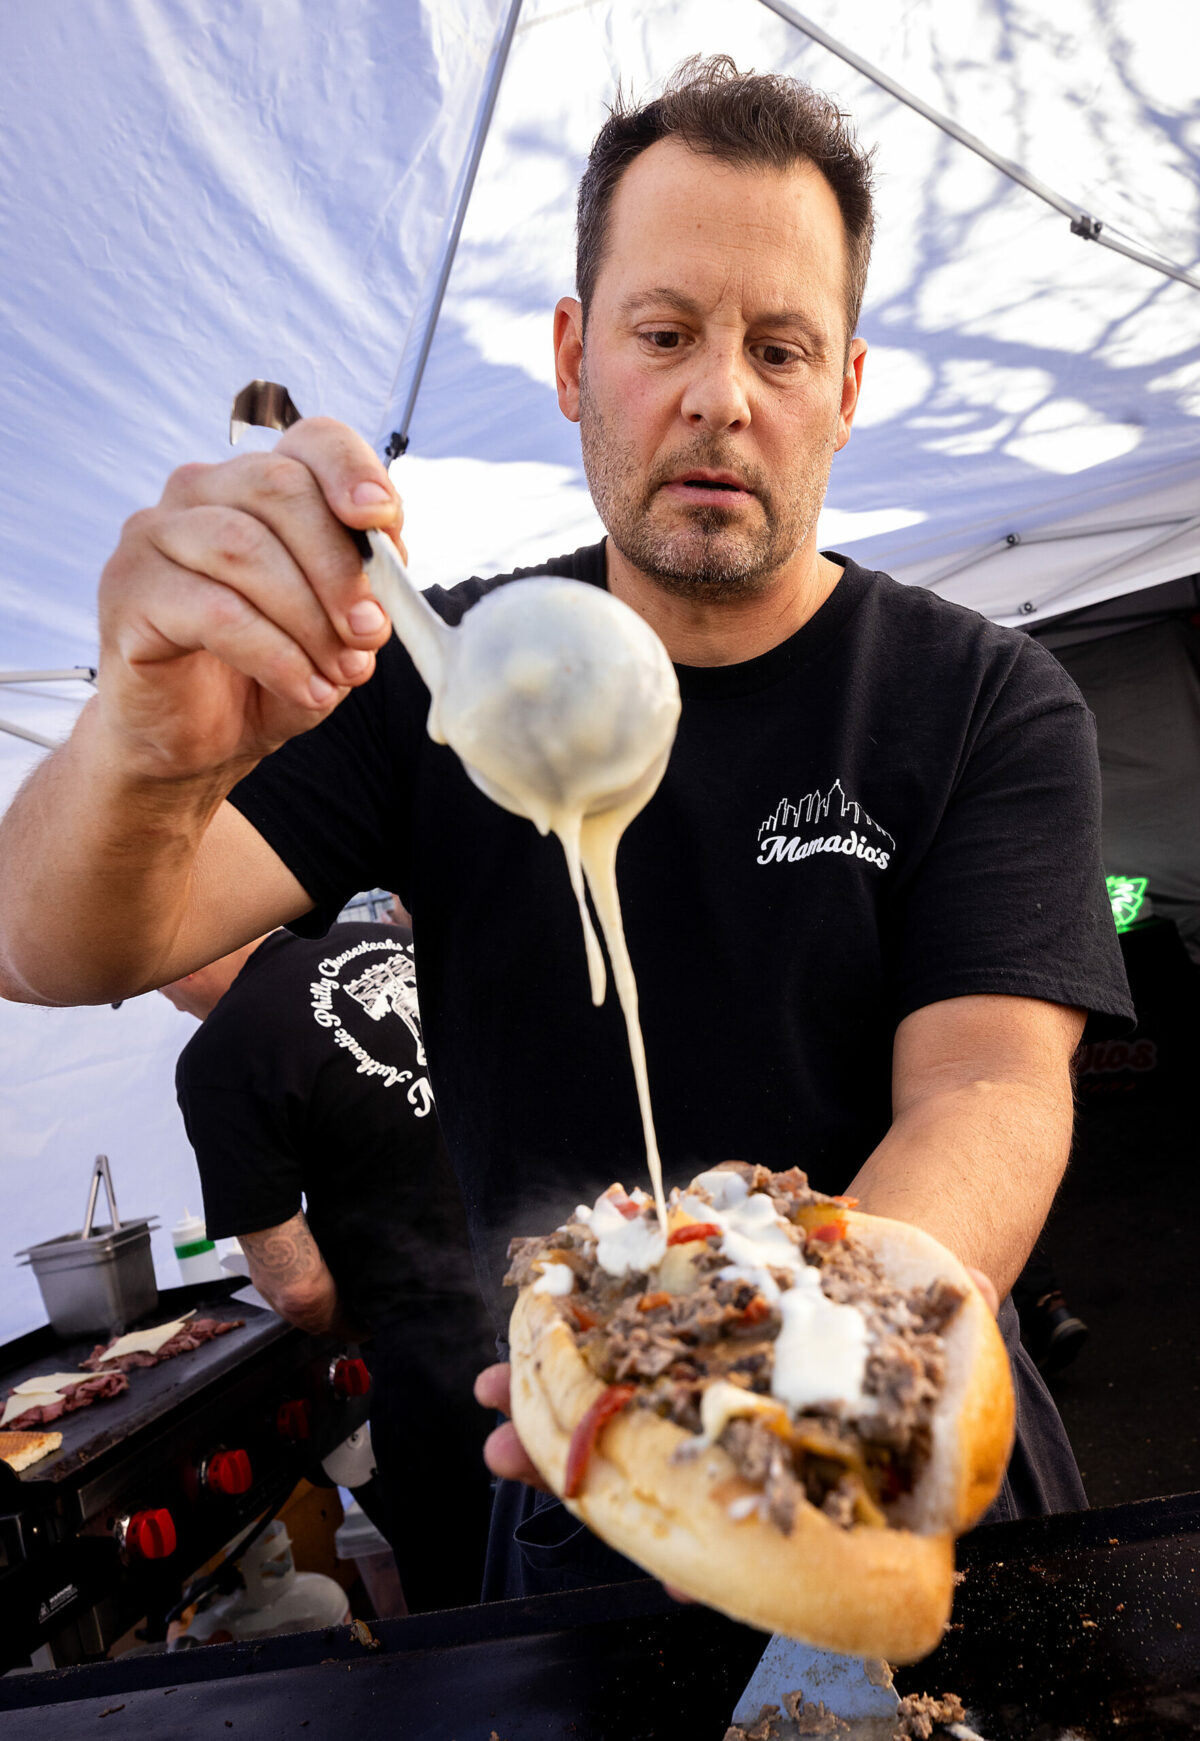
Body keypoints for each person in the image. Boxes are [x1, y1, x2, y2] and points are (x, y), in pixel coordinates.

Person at [0, 58, 1133, 1603]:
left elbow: (989, 1085)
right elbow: (52, 945)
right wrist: (144, 746)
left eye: (781, 348)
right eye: (664, 334)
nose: (721, 395)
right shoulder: (433, 683)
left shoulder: (980, 698)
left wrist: (795, 1351)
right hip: (592, 1465)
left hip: (899, 1414)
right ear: (573, 355)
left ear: (847, 389)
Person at [159, 919, 495, 1613]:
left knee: (476, 1619)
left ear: (179, 960)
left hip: (441, 1379)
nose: (166, 1000)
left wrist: (373, 1323)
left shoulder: (221, 1053)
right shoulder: (389, 941)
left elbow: (298, 1290)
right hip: (552, 1298)